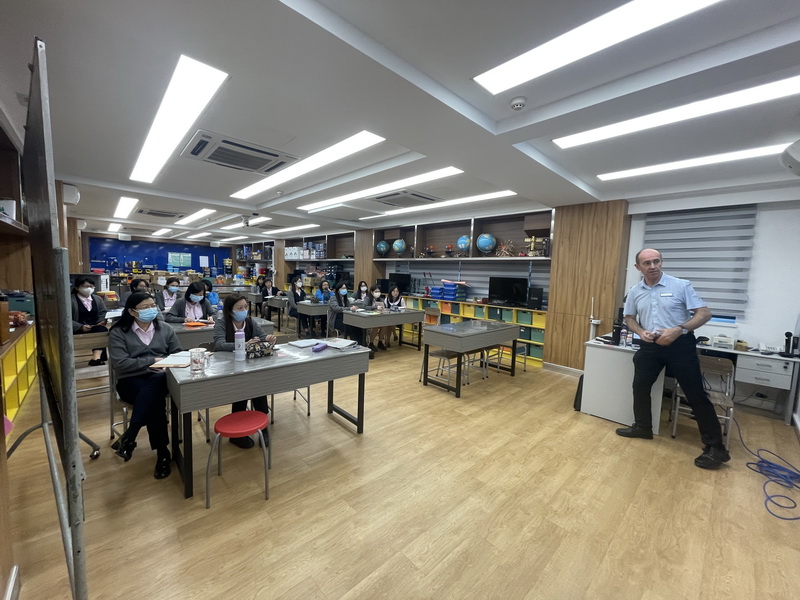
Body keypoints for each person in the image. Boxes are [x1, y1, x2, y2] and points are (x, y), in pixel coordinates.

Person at [616, 248, 729, 470]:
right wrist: (640, 331)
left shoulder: (680, 285)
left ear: (662, 262)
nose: (653, 266)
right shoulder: (635, 291)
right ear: (638, 267)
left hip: (680, 345)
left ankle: (716, 448)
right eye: (647, 263)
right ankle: (643, 427)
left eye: (656, 261)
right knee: (640, 386)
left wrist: (680, 329)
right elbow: (629, 318)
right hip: (650, 346)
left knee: (695, 394)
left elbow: (704, 313)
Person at [108, 292, 181, 479]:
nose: (151, 309)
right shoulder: (119, 332)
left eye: (153, 305)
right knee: (154, 401)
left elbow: (177, 354)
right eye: (145, 307)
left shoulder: (165, 329)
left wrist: (166, 364)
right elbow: (121, 363)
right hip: (130, 380)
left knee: (156, 384)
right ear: (132, 311)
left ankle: (130, 436)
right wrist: (153, 361)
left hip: (162, 377)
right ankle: (162, 453)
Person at [213, 294, 276, 449]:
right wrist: (242, 344)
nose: (244, 310)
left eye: (245, 307)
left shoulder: (250, 322)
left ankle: (263, 427)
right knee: (241, 387)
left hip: (249, 364)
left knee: (257, 384)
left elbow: (262, 337)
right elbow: (219, 344)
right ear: (230, 311)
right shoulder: (222, 323)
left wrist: (268, 339)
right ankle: (237, 432)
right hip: (228, 367)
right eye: (239, 308)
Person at [328, 281, 373, 359]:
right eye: (343, 288)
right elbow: (337, 309)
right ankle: (359, 348)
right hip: (336, 320)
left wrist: (354, 308)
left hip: (347, 318)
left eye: (345, 288)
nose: (344, 289)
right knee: (351, 329)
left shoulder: (346, 299)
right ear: (338, 290)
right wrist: (349, 308)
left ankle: (363, 347)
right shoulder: (333, 298)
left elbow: (349, 308)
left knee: (359, 328)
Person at [70, 275, 109, 366]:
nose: (89, 289)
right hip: (77, 329)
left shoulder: (97, 299)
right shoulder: (70, 300)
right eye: (85, 287)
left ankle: (96, 358)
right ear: (77, 288)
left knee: (102, 330)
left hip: (95, 326)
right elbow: (66, 318)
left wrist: (101, 321)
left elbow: (103, 312)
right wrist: (80, 326)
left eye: (91, 286)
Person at [364, 284, 386, 351]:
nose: (378, 293)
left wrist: (383, 308)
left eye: (379, 291)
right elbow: (364, 307)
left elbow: (384, 306)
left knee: (384, 326)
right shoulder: (367, 298)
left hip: (378, 317)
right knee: (375, 326)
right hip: (369, 318)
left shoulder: (380, 299)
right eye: (376, 291)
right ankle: (371, 343)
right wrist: (375, 307)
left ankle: (380, 342)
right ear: (371, 292)